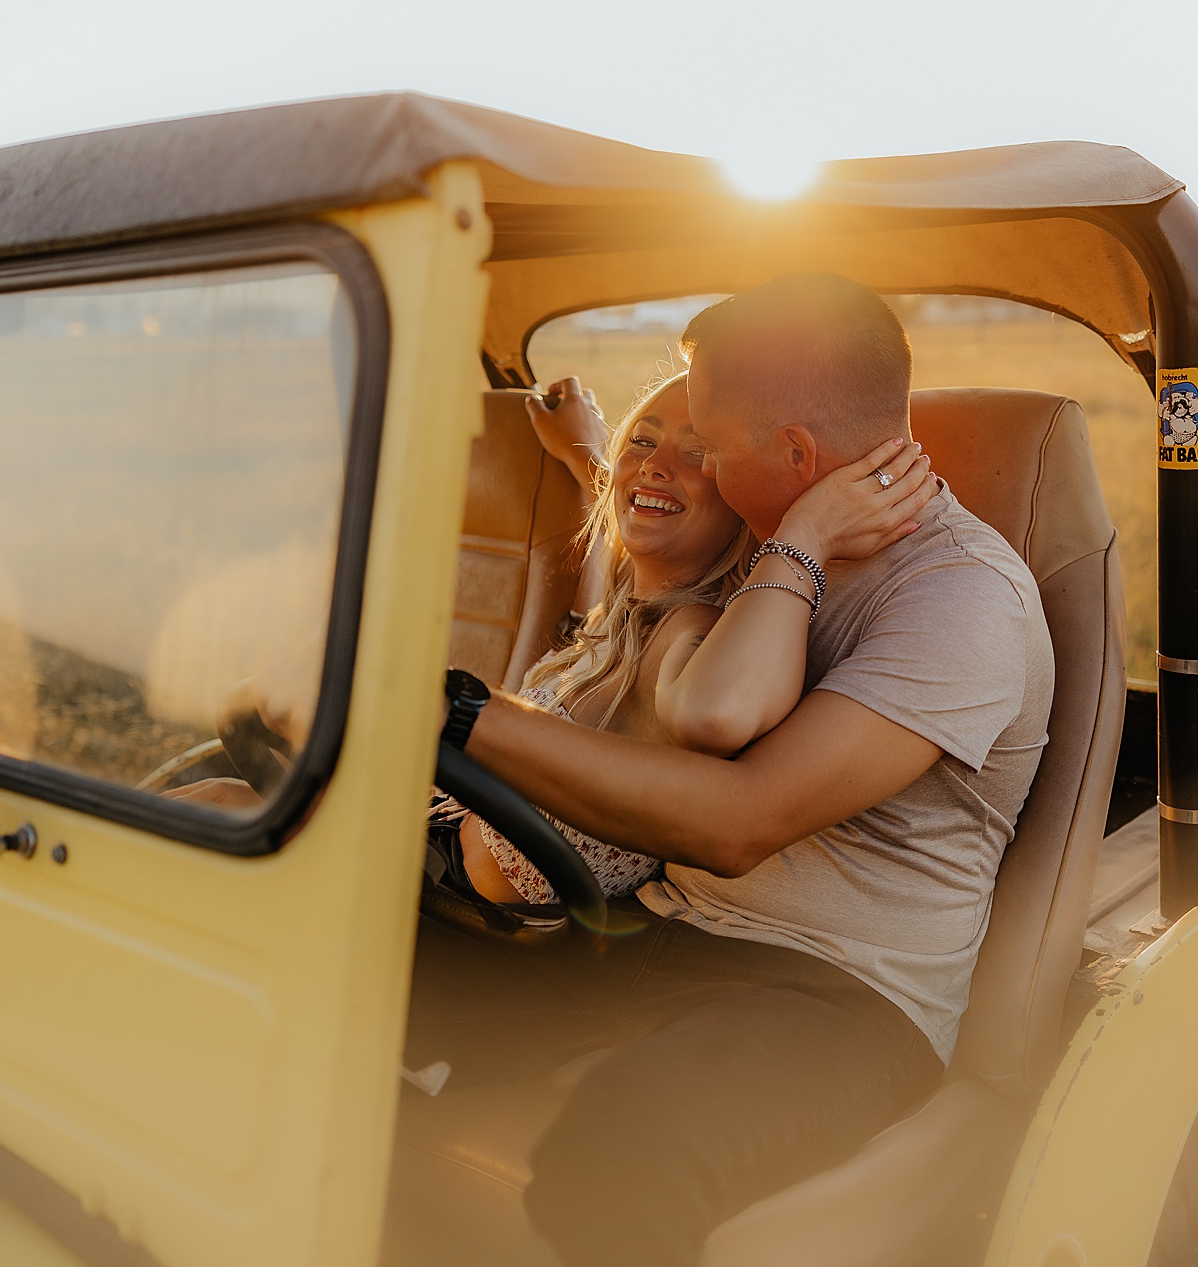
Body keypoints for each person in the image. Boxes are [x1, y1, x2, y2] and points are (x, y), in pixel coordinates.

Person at [414, 272, 1056, 1267]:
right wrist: (600, 458)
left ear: (796, 454)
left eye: (709, 442)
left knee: (621, 1152)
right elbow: (640, 554)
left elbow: (737, 819)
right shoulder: (762, 547)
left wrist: (457, 713)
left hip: (839, 995)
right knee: (346, 971)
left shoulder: (960, 598)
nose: (694, 462)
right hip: (661, 929)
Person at [430, 371, 936, 905]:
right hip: (430, 873)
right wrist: (587, 451)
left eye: (697, 452)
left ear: (741, 492)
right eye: (641, 442)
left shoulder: (694, 628)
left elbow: (722, 713)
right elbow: (631, 507)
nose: (653, 464)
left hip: (474, 915)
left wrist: (804, 532)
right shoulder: (627, 607)